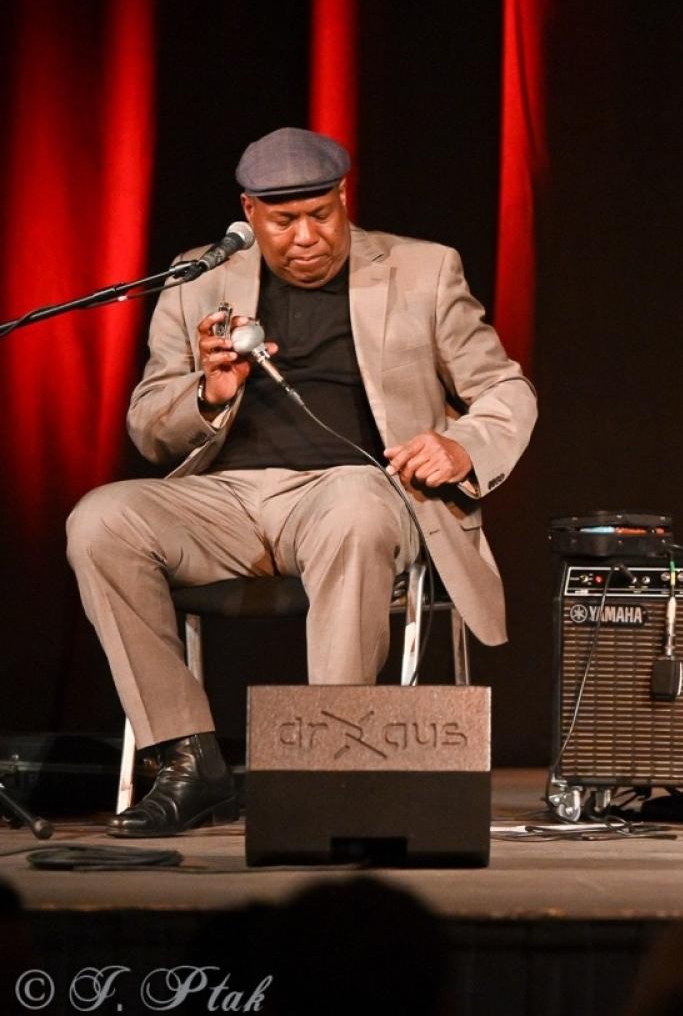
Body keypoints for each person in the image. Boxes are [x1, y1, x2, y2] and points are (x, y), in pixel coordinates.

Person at [66, 128, 537, 838]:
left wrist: (461, 446)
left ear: (344, 198)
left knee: (351, 505)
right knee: (100, 519)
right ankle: (190, 760)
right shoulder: (197, 276)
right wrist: (208, 394)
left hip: (358, 490)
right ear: (249, 213)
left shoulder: (424, 270)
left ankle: (329, 768)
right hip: (224, 499)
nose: (307, 235)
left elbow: (506, 388)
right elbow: (149, 427)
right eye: (285, 221)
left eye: (323, 213)